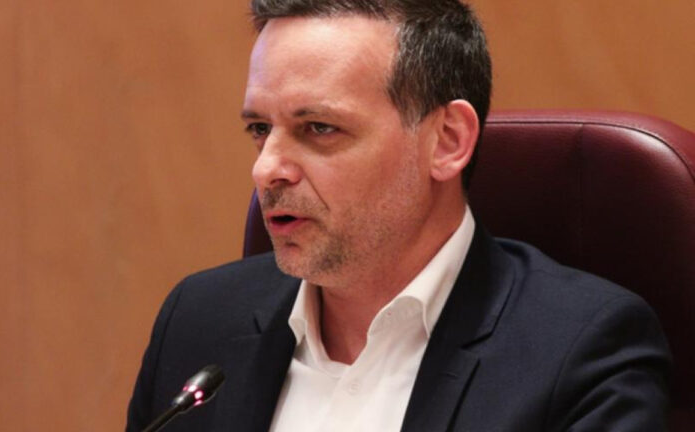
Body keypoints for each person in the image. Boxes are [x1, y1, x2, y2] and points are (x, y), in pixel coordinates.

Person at [126, 1, 671, 431]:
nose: (266, 169)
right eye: (260, 129)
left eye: (319, 128)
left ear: (447, 140)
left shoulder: (581, 354)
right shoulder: (198, 321)